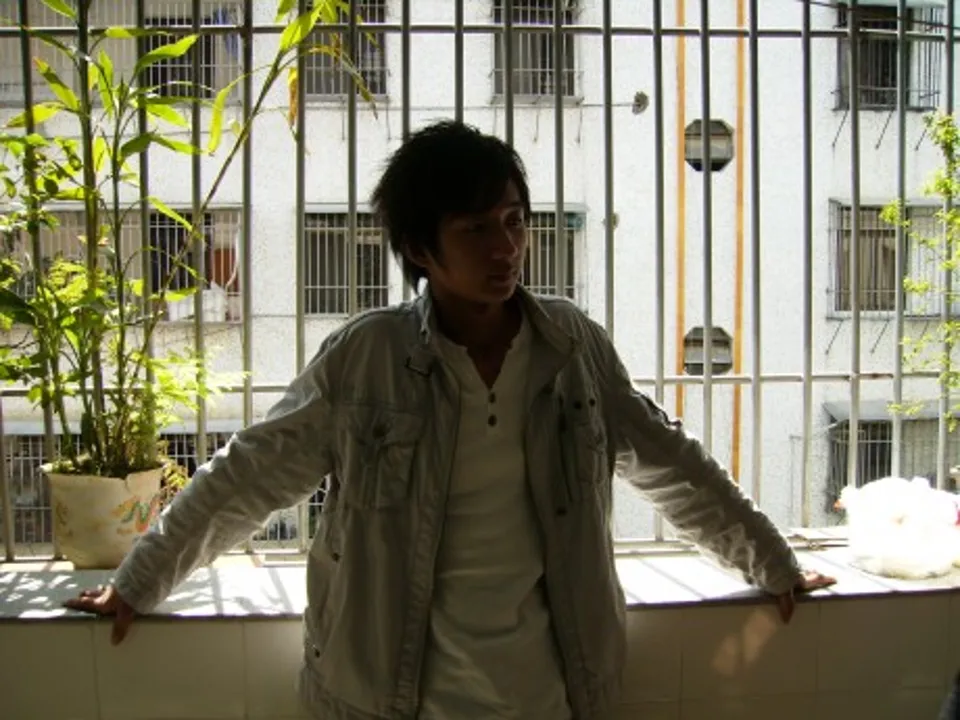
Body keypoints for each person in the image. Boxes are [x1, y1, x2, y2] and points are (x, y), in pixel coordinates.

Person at [66, 120, 835, 720]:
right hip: (392, 699)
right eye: (476, 229)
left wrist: (773, 562)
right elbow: (249, 474)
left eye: (515, 220)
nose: (507, 248)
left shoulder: (572, 349)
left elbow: (671, 462)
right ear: (418, 248)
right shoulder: (367, 358)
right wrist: (140, 580)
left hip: (551, 694)